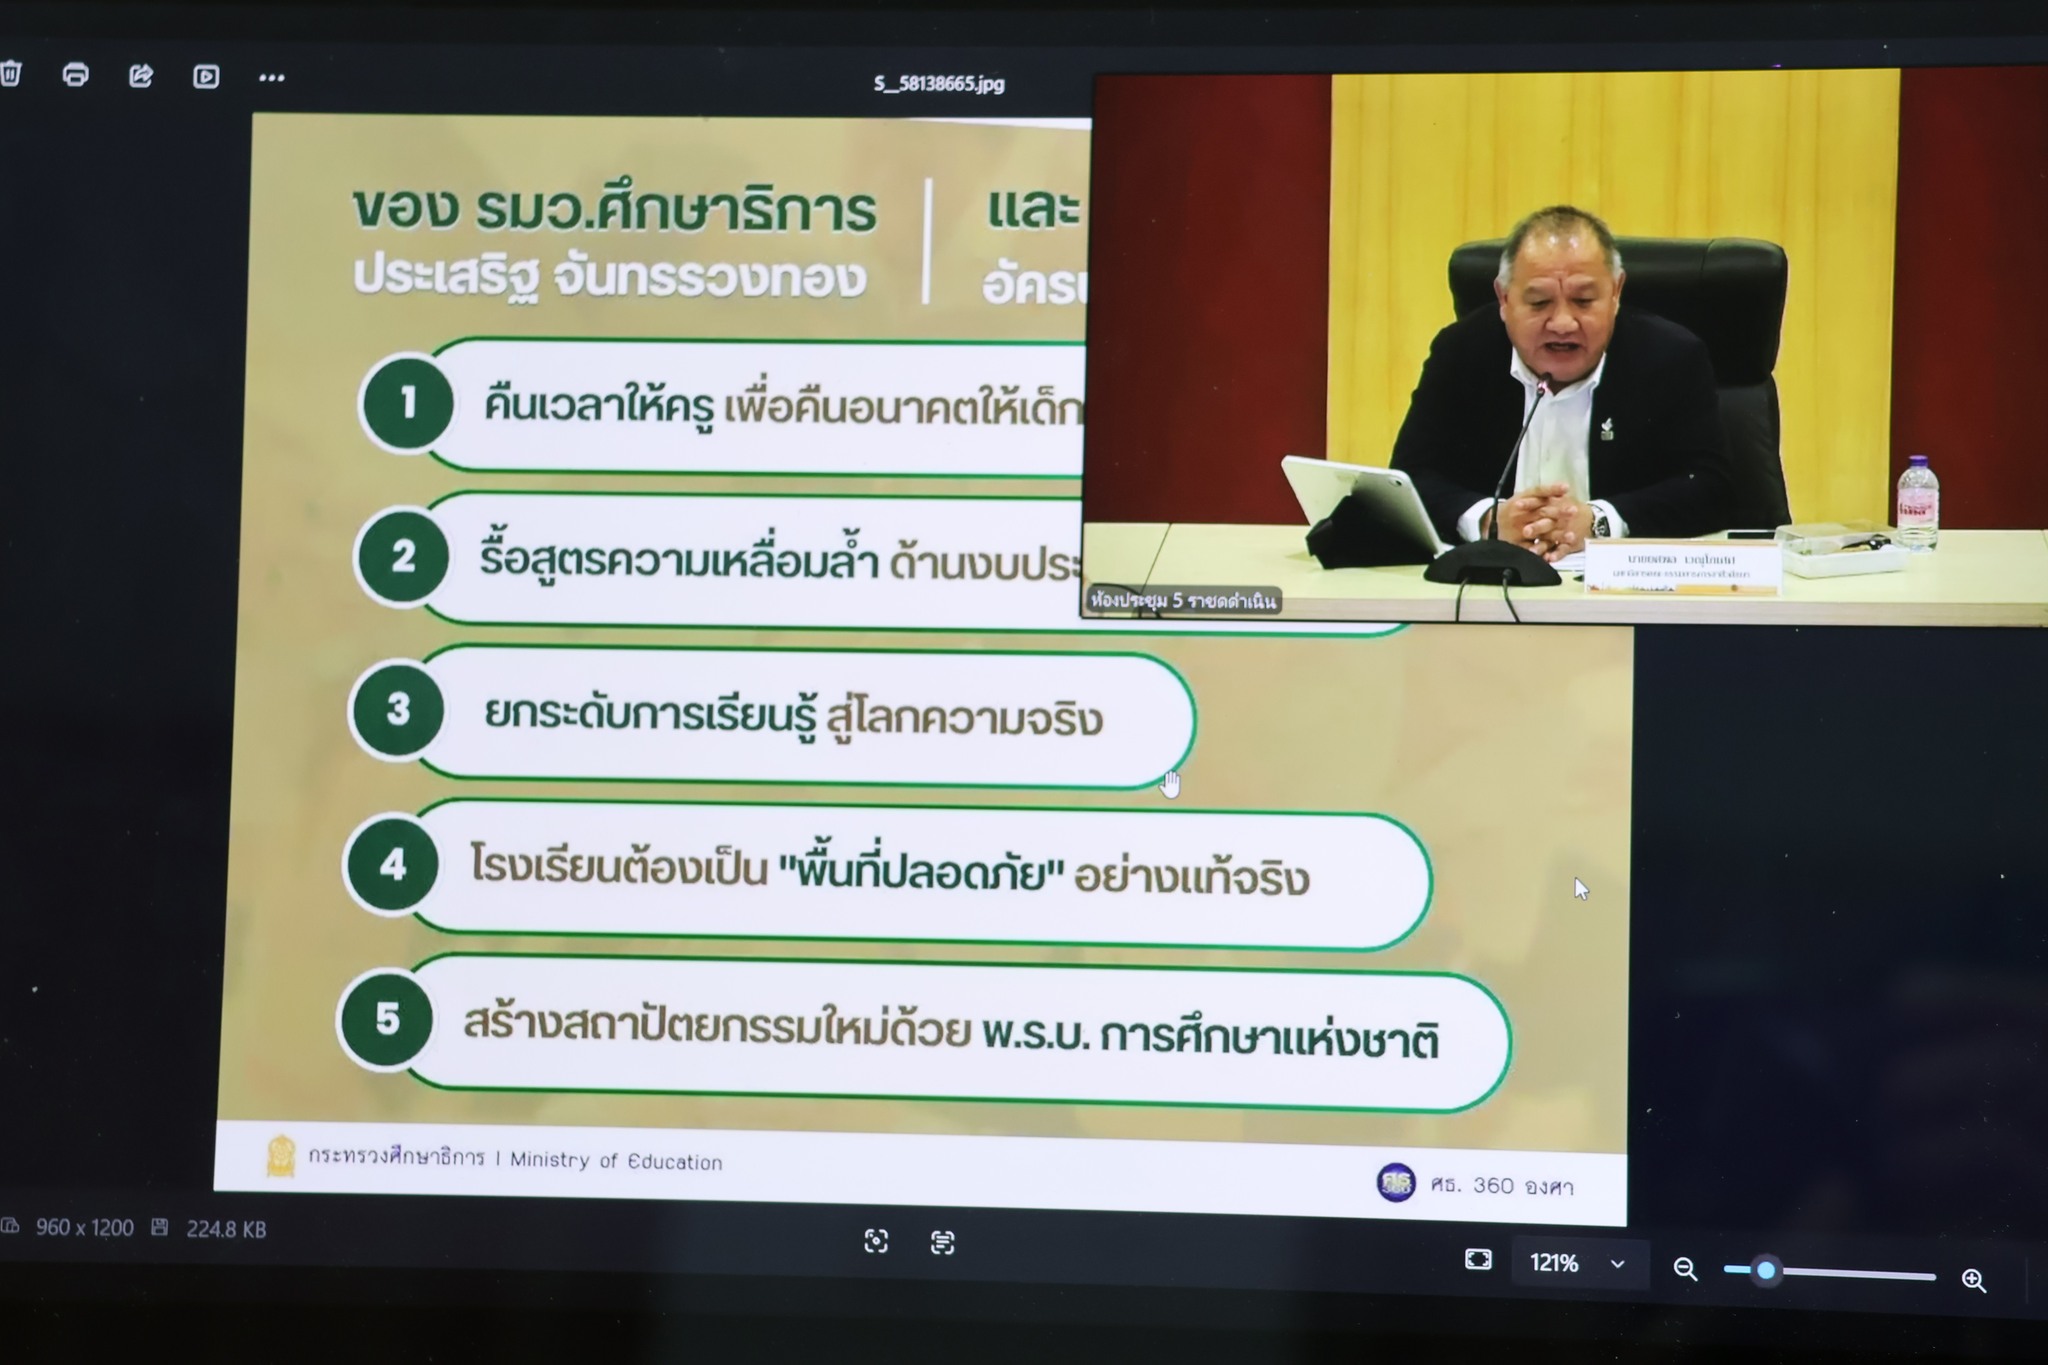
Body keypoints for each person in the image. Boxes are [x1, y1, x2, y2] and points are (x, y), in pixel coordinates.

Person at [1390, 205, 1735, 560]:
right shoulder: (1461, 352)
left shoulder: (1670, 358)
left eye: (1583, 301)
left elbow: (1710, 487)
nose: (1563, 324)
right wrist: (1488, 521)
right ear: (1504, 299)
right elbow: (1409, 479)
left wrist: (1599, 522)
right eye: (1539, 303)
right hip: (1490, 579)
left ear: (1616, 293)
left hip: (1617, 583)